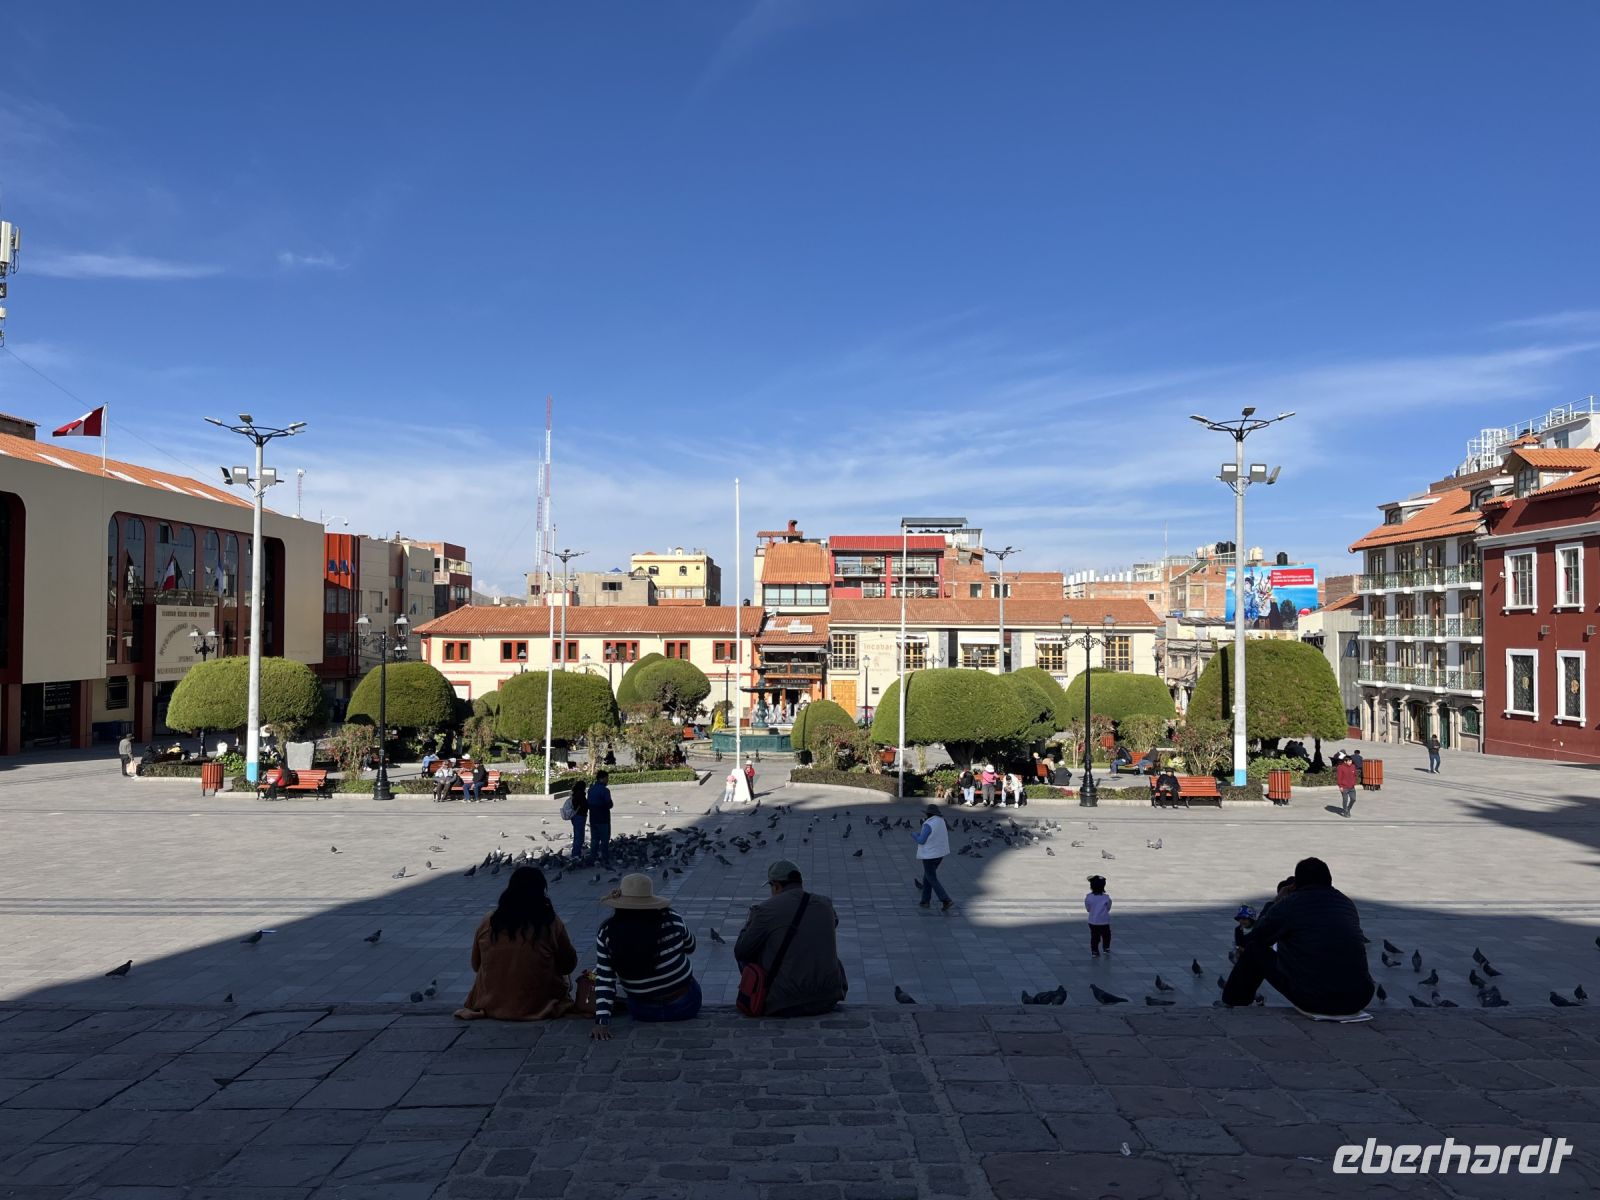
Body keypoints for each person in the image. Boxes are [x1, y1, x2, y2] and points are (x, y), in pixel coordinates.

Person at [1222, 857, 1375, 1017]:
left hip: (1317, 999)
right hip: (1360, 997)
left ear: (1295, 885)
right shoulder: (1346, 903)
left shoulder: (1291, 903)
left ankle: (1233, 1004)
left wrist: (1275, 902)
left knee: (1254, 950)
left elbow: (1256, 937)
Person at [455, 867, 579, 1021]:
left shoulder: (489, 921)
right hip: (539, 1004)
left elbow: (476, 965)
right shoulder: (550, 923)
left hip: (491, 1002)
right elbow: (568, 965)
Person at [591, 874, 699, 1039]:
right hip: (685, 1004)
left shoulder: (607, 932)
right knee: (689, 979)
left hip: (643, 1011)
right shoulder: (671, 919)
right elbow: (691, 947)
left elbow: (605, 979)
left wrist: (602, 1022)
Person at [734, 861, 848, 1017]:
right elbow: (831, 924)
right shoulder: (826, 903)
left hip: (784, 1002)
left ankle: (762, 994)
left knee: (749, 954)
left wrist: (750, 921)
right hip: (828, 998)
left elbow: (741, 951)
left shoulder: (765, 910)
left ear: (776, 886)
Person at [913, 804, 954, 912]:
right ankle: (925, 901)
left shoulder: (928, 824)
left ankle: (946, 899)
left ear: (928, 814)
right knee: (927, 876)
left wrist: (914, 835)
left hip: (929, 855)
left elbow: (921, 840)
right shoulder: (941, 821)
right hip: (940, 854)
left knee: (931, 877)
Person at [587, 771, 613, 867]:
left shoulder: (591, 789)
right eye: (607, 778)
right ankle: (605, 859)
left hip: (593, 818)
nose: (607, 780)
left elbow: (589, 803)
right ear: (602, 779)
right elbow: (609, 804)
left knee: (594, 839)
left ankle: (592, 858)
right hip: (603, 818)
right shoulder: (605, 790)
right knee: (605, 840)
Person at [1085, 874, 1112, 957]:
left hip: (1093, 921)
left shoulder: (1088, 897)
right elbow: (1108, 907)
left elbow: (1088, 908)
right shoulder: (1106, 897)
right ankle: (1106, 948)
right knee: (1106, 935)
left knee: (1094, 937)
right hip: (1104, 921)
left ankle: (1094, 951)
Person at [568, 779, 588, 862]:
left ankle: (576, 853)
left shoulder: (575, 794)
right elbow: (584, 805)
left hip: (575, 817)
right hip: (579, 816)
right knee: (579, 837)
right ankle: (576, 854)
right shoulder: (580, 795)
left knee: (577, 835)